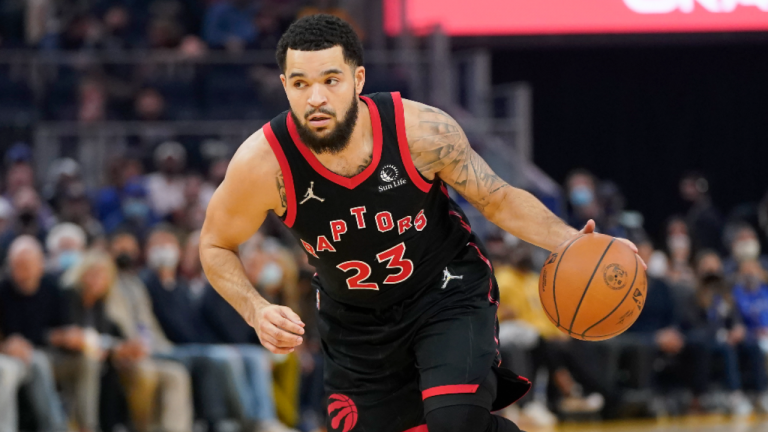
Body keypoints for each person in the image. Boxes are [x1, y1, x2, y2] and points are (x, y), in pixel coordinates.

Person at [200, 15, 643, 432]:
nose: (315, 97)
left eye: (330, 80)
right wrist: (256, 311)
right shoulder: (262, 165)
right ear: (285, 86)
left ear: (358, 80)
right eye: (300, 84)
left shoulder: (419, 130)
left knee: (454, 422)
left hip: (445, 292)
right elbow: (215, 244)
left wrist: (570, 241)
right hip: (355, 325)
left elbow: (498, 199)